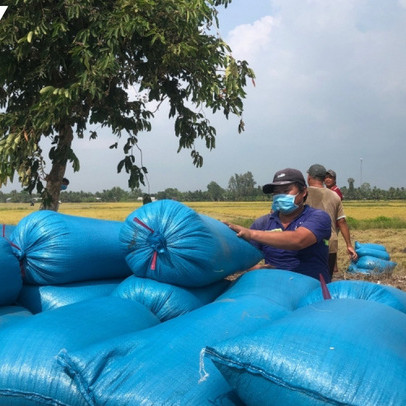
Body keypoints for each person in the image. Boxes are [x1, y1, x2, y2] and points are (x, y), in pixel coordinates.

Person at [227, 168, 332, 283]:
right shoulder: (263, 223)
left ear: (303, 192)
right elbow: (243, 258)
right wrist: (254, 268)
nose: (280, 196)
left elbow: (298, 240)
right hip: (276, 289)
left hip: (311, 289)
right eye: (276, 193)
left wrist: (251, 233)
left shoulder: (318, 217)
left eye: (286, 191)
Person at [306, 164, 357, 278]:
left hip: (307, 242)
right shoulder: (334, 196)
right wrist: (349, 245)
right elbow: (342, 221)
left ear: (309, 177)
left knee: (309, 280)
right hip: (330, 243)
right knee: (327, 279)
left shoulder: (302, 194)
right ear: (324, 179)